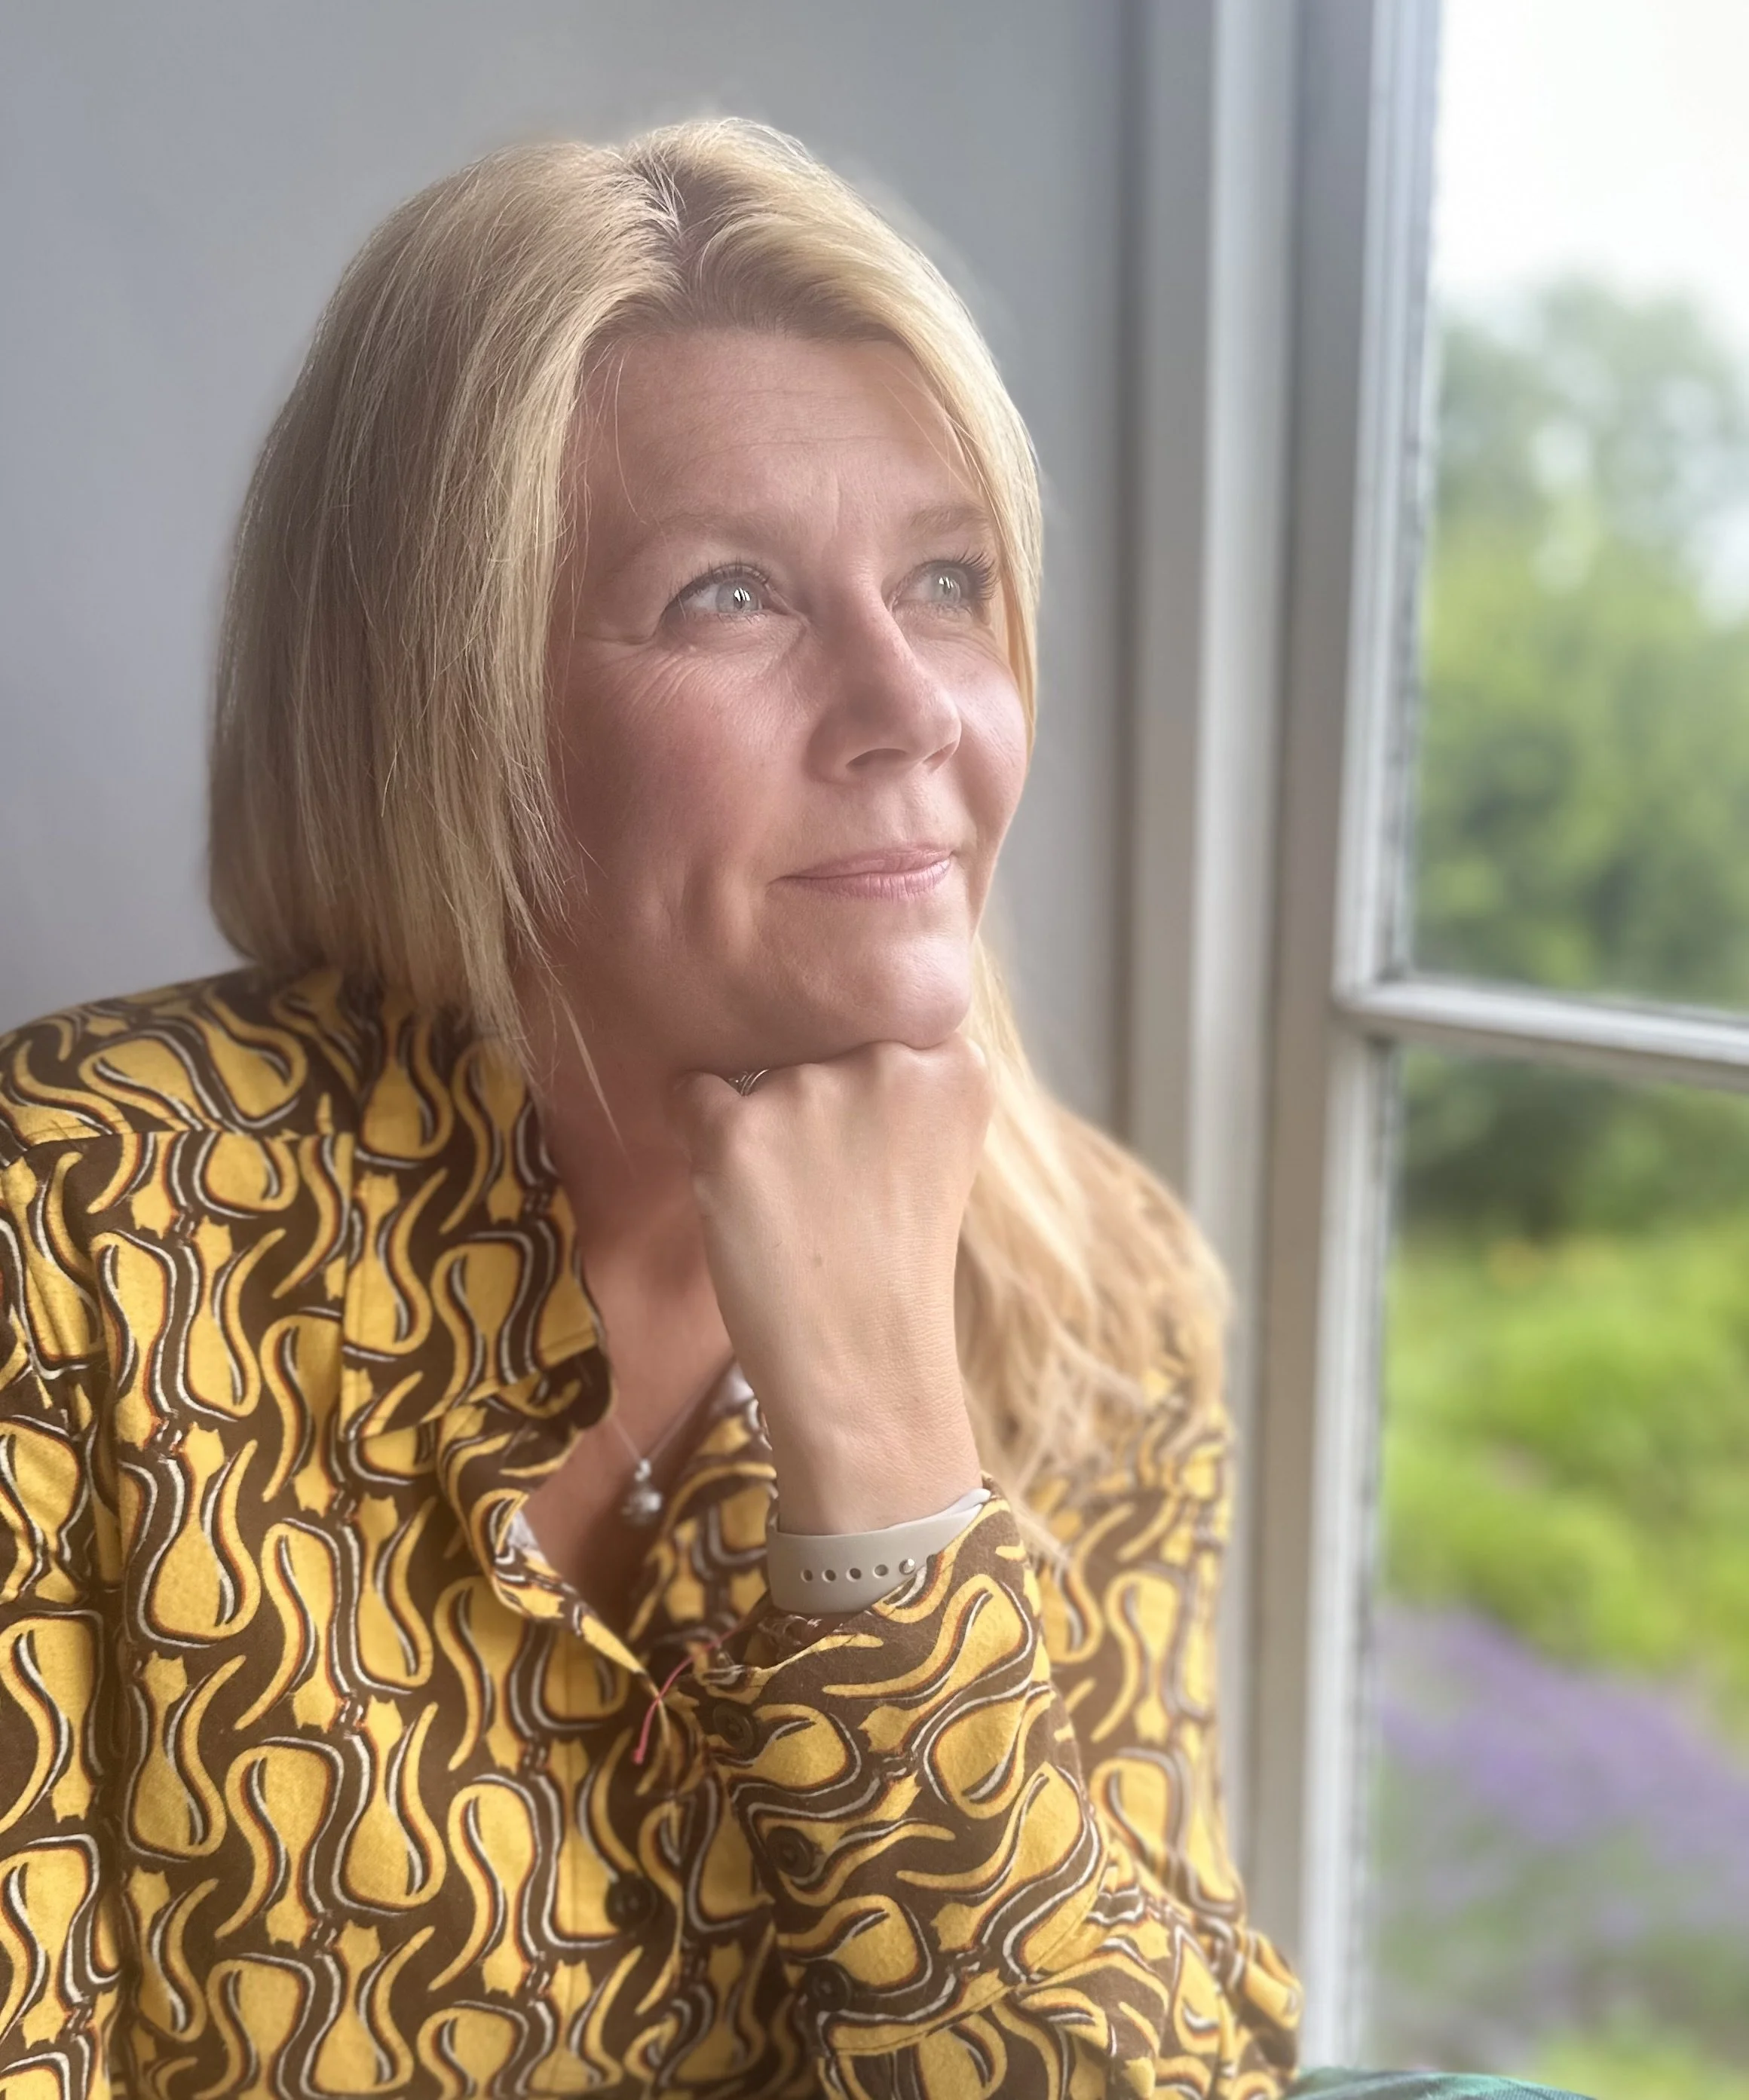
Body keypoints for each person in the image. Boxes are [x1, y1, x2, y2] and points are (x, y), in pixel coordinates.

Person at [0, 120, 1587, 2100]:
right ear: (445, 698)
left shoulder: (1098, 1299)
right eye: (730, 597)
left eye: (946, 579)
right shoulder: (79, 1224)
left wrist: (896, 1490)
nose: (911, 702)